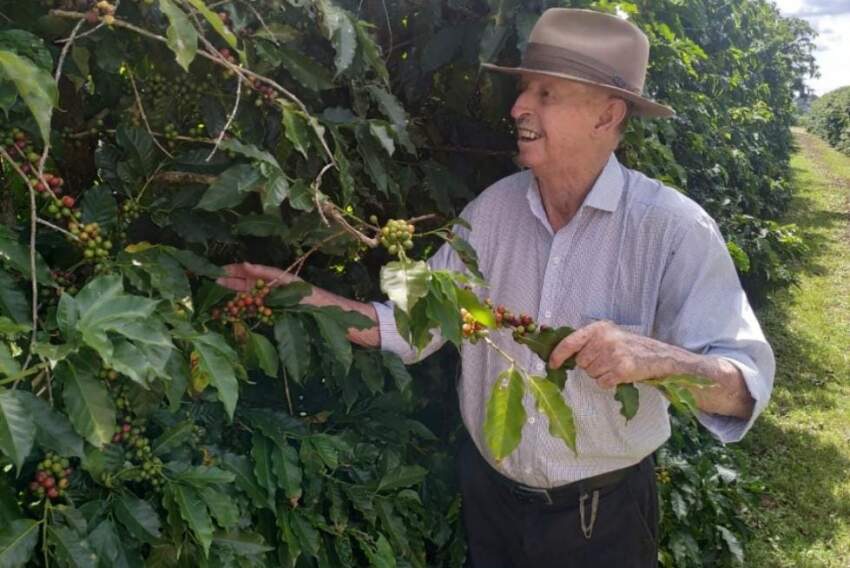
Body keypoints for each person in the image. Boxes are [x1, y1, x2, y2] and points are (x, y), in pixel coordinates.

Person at [219, 8, 774, 567]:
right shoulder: (491, 214)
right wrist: (307, 297)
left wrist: (658, 359)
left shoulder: (672, 230)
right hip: (490, 501)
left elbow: (743, 387)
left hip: (601, 518)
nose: (518, 108)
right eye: (523, 89)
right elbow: (415, 327)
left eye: (546, 94)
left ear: (607, 116)